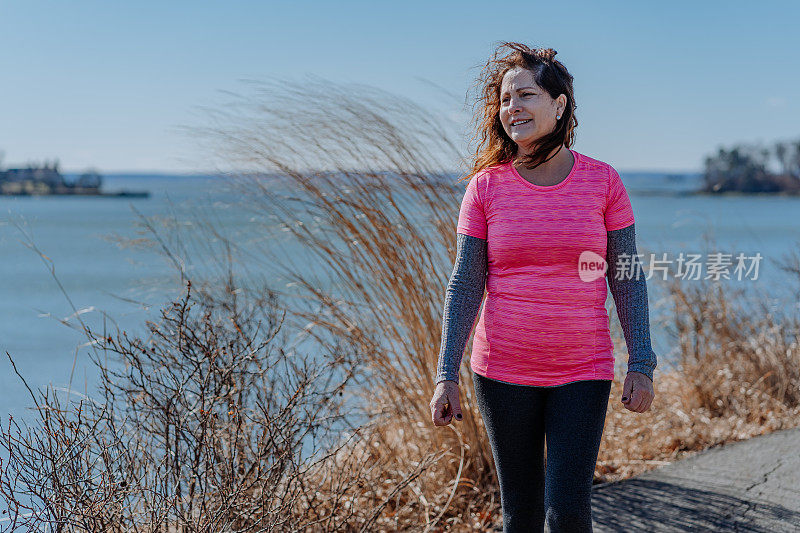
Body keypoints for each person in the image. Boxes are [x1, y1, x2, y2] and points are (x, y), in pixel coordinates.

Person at [428, 42, 657, 532]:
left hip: (583, 369)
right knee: (522, 516)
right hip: (502, 372)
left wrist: (642, 362)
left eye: (526, 95)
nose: (513, 108)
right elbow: (466, 281)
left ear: (559, 105)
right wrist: (446, 373)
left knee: (568, 515)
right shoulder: (486, 187)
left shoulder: (603, 182)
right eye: (506, 99)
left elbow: (627, 275)